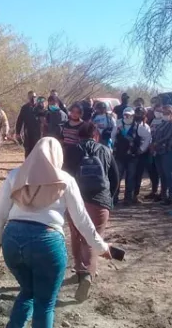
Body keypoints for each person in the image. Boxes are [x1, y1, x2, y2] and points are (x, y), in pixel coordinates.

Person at [0, 137, 112, 328]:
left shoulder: (15, 175)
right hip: (46, 243)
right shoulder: (65, 180)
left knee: (28, 291)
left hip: (12, 241)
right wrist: (101, 248)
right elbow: (82, 221)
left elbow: (0, 213)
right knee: (45, 303)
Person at [63, 122, 119, 302]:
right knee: (94, 237)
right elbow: (115, 178)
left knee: (76, 235)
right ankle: (88, 273)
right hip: (100, 201)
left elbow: (64, 176)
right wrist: (109, 198)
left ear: (78, 136)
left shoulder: (70, 150)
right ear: (95, 136)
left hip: (76, 201)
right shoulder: (105, 150)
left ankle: (79, 269)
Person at [110, 107, 151, 205]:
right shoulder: (118, 125)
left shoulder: (139, 127)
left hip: (132, 156)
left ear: (133, 116)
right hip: (119, 156)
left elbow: (147, 137)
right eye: (125, 115)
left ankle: (128, 198)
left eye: (129, 115)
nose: (127, 117)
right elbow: (112, 137)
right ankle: (114, 198)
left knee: (130, 177)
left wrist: (141, 149)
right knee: (117, 177)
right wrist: (113, 148)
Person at [152, 105, 172, 205]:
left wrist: (156, 143)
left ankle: (171, 197)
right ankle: (163, 195)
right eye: (163, 113)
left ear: (171, 113)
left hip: (169, 151)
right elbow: (154, 134)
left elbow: (168, 137)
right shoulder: (161, 123)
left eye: (166, 113)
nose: (164, 115)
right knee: (162, 174)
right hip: (158, 151)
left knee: (169, 174)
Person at [144, 103, 165, 200]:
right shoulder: (153, 120)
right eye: (156, 110)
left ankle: (163, 193)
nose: (158, 113)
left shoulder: (164, 121)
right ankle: (154, 191)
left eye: (160, 111)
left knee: (161, 171)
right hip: (151, 149)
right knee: (151, 171)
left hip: (160, 149)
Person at [15, 91, 41, 158]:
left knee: (38, 150)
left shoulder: (40, 107)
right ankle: (28, 166)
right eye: (31, 97)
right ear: (28, 97)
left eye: (34, 97)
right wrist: (18, 133)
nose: (33, 98)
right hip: (28, 133)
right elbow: (20, 120)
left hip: (39, 133)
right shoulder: (25, 108)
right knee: (28, 151)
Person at [60, 103, 85, 170]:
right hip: (65, 152)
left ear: (80, 113)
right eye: (73, 111)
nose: (74, 114)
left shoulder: (83, 125)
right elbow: (62, 137)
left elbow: (83, 141)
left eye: (77, 112)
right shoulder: (66, 123)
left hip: (76, 154)